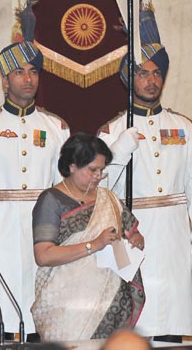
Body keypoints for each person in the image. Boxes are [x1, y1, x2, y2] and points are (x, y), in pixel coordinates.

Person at [98, 12, 192, 342]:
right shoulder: (112, 130)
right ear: (129, 78)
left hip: (174, 235)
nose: (151, 80)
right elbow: (99, 191)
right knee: (133, 330)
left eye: (156, 73)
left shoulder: (184, 127)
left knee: (170, 328)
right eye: (143, 73)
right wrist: (118, 151)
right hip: (131, 235)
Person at [0, 39, 69, 341]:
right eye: (19, 72)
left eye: (33, 72)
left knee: (41, 313)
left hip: (44, 228)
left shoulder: (55, 126)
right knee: (0, 314)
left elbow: (66, 185)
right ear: (5, 79)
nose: (28, 79)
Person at [31, 132, 145, 342]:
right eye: (92, 170)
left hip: (111, 303)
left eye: (101, 170)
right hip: (68, 306)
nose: (98, 176)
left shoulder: (108, 198)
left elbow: (132, 233)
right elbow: (44, 255)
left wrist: (136, 239)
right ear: (72, 165)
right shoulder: (51, 200)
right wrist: (95, 244)